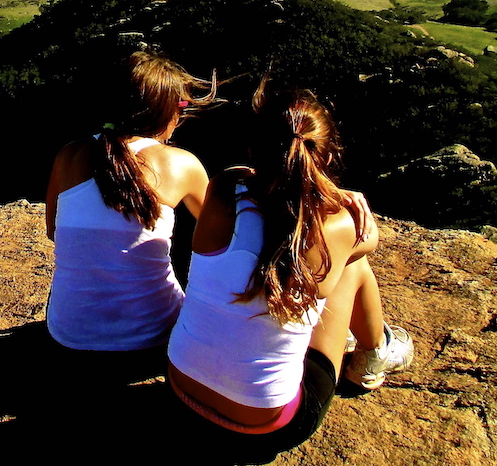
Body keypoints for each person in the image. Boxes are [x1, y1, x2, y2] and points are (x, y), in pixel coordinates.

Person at [166, 83, 413, 455]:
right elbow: (369, 240)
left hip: (182, 393)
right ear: (326, 158)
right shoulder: (338, 226)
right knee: (350, 266)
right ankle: (374, 353)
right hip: (265, 428)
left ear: (253, 149)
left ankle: (359, 346)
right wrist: (340, 197)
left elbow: (249, 177)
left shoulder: (221, 188)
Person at [45, 50, 215, 352]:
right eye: (182, 105)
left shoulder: (68, 155)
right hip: (156, 335)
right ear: (165, 110)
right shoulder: (182, 165)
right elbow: (223, 238)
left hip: (69, 332)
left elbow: (52, 232)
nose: (182, 113)